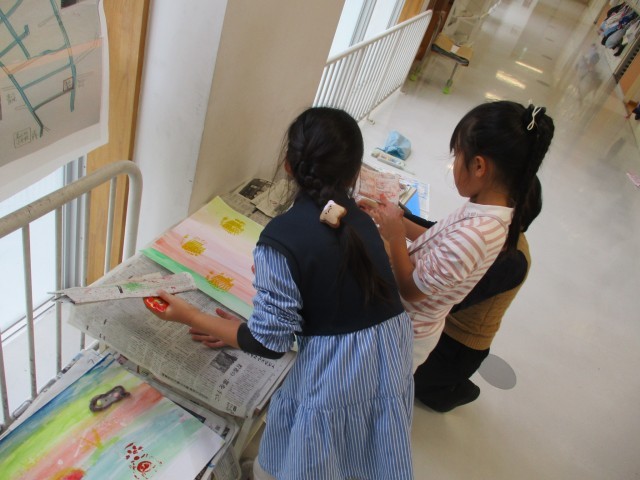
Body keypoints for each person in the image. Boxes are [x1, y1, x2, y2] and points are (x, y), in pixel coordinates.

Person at [145, 107, 414, 480]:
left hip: (338, 377)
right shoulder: (359, 220)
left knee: (304, 460)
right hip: (388, 358)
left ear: (288, 164)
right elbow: (331, 299)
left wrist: (188, 315)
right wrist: (253, 321)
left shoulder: (281, 238)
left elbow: (268, 343)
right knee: (360, 452)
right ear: (356, 173)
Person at [361, 101, 554, 372]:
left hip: (403, 332)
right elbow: (437, 237)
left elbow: (410, 290)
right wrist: (395, 219)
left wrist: (395, 237)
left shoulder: (476, 234)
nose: (453, 165)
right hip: (402, 319)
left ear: (479, 166)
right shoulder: (488, 210)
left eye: (457, 155)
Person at [413, 176, 542, 412]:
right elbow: (435, 232)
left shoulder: (510, 258)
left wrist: (398, 255)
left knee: (401, 379)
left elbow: (441, 299)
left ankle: (453, 389)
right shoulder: (482, 225)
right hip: (440, 324)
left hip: (455, 346)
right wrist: (398, 216)